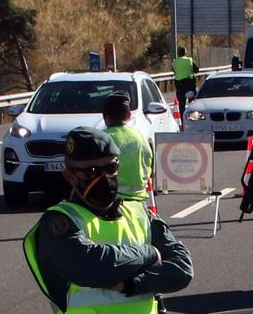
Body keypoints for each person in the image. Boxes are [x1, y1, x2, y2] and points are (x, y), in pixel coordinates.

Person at [24, 127, 193, 314]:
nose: (104, 178)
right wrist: (150, 253)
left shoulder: (140, 213)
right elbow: (93, 267)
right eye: (92, 171)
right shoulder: (59, 222)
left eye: (111, 168)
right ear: (70, 176)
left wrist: (128, 284)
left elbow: (182, 270)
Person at [103, 91, 153, 201]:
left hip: (111, 202)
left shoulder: (103, 138)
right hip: (139, 201)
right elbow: (150, 165)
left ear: (105, 117)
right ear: (129, 115)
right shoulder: (139, 137)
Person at [172, 46, 199, 124]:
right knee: (192, 102)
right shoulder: (189, 60)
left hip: (179, 84)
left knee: (181, 103)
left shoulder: (175, 62)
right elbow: (197, 69)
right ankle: (194, 119)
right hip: (189, 83)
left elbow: (174, 70)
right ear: (185, 53)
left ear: (178, 53)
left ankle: (183, 121)